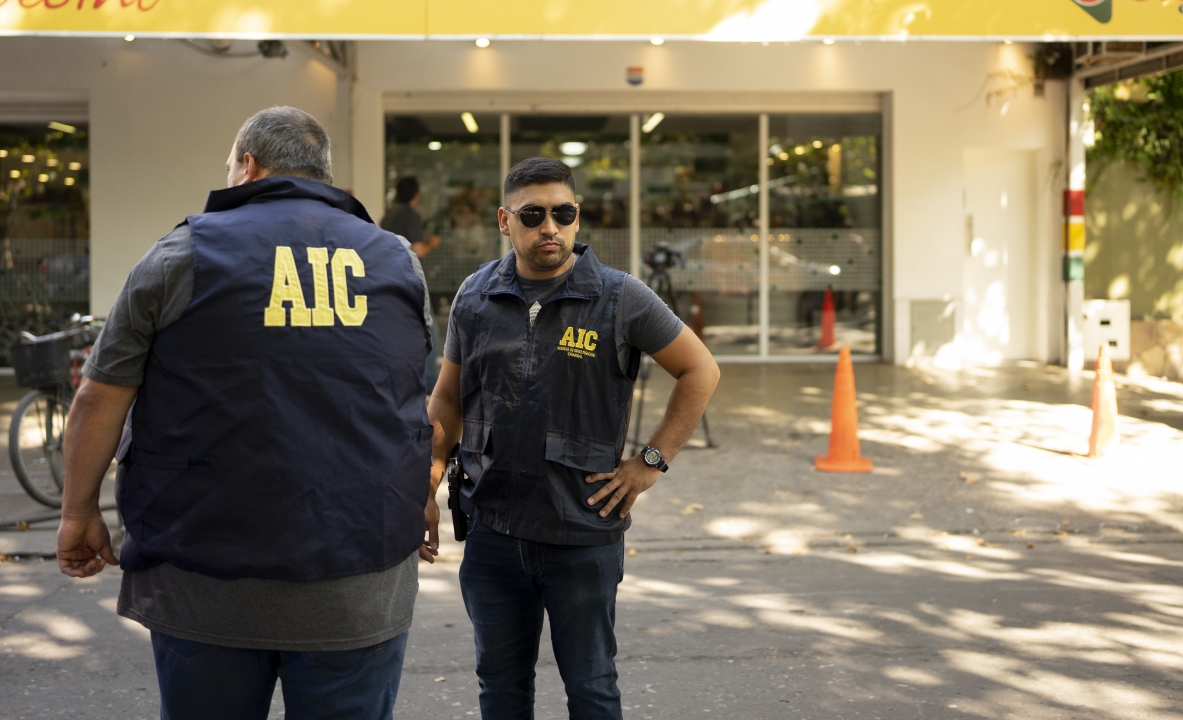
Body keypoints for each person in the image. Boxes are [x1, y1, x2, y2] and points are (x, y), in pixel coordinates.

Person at [55, 106, 439, 720]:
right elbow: (411, 401)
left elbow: (99, 396)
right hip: (360, 578)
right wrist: (421, 495)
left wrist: (79, 512)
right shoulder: (398, 261)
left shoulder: (179, 254)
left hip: (204, 581)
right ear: (323, 174)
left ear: (248, 165)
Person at [428, 157, 720, 720]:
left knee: (591, 689)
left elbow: (700, 370)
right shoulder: (475, 296)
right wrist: (432, 470)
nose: (550, 227)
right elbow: (446, 398)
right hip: (492, 532)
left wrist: (652, 461)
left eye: (563, 213)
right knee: (500, 688)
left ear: (578, 218)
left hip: (581, 534)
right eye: (533, 214)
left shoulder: (619, 297)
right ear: (504, 220)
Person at [382, 175, 441, 391]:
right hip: (411, 280)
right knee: (429, 330)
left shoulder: (387, 216)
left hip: (389, 278)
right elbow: (417, 250)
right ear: (416, 196)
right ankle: (429, 385)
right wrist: (432, 243)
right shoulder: (410, 215)